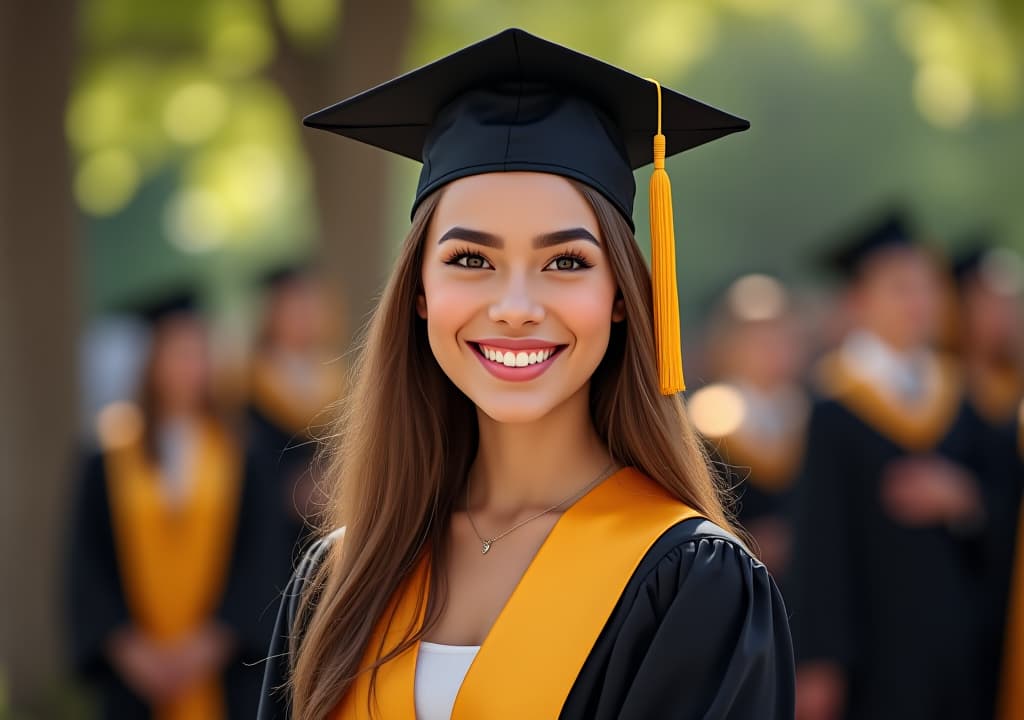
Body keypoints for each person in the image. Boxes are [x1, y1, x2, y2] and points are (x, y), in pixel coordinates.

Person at [258, 28, 794, 720]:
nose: (514, 308)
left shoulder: (691, 583)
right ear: (418, 293)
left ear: (623, 297)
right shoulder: (340, 581)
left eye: (566, 262)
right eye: (471, 260)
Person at [791, 212, 987, 720]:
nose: (919, 303)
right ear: (859, 302)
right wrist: (819, 659)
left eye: (927, 288)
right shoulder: (834, 403)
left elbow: (1001, 503)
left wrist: (965, 497)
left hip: (958, 642)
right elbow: (820, 541)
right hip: (871, 648)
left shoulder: (960, 396)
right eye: (900, 288)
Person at [67, 292, 277, 720]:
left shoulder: (240, 453)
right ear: (150, 360)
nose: (191, 366)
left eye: (200, 352)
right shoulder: (108, 453)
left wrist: (210, 644)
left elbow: (262, 560)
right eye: (178, 352)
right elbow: (85, 563)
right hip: (135, 679)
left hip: (222, 674)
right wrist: (130, 650)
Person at [689, 273, 809, 580]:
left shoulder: (810, 414)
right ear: (726, 345)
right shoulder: (707, 422)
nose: (772, 350)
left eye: (781, 337)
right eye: (758, 338)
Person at [950, 243, 1024, 719]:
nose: (1004, 313)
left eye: (1011, 300)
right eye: (989, 299)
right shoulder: (943, 397)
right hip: (966, 606)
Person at [245, 264, 345, 567]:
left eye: (310, 306)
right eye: (294, 308)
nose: (305, 317)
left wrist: (332, 482)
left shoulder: (336, 381)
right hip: (268, 532)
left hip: (324, 526)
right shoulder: (247, 384)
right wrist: (286, 489)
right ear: (271, 314)